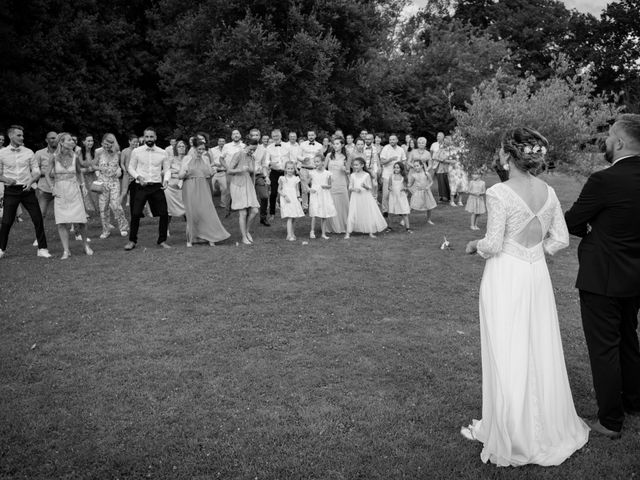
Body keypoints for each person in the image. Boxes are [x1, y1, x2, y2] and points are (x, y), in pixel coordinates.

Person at [463, 127, 589, 466]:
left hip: (506, 274)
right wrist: (535, 253)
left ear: (507, 155)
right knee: (538, 344)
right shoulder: (548, 191)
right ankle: (544, 426)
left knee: (507, 347)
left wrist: (475, 246)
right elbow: (560, 239)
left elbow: (491, 244)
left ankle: (511, 432)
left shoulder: (498, 192)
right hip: (535, 275)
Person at [565, 113, 640, 439]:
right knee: (629, 339)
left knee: (604, 347)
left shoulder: (604, 180)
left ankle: (610, 420)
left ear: (620, 141)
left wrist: (591, 231)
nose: (606, 140)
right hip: (636, 276)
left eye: (610, 135)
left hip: (602, 277)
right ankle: (634, 402)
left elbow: (572, 221)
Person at [0, 125, 52, 259]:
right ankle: (1, 249)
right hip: (11, 190)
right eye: (19, 135)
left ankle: (42, 248)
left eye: (22, 135)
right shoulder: (2, 153)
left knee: (37, 218)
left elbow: (36, 171)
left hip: (27, 189)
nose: (22, 138)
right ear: (11, 136)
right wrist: (6, 179)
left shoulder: (28, 152)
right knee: (6, 221)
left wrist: (31, 181)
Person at [124, 127, 172, 251]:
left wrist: (166, 180)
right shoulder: (137, 152)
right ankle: (132, 241)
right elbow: (130, 168)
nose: (149, 139)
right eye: (147, 137)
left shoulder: (162, 152)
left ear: (155, 137)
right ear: (144, 138)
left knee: (164, 213)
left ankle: (162, 240)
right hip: (141, 186)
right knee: (135, 214)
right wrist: (138, 177)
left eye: (151, 137)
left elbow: (167, 169)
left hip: (156, 186)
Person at [47, 132, 93, 259]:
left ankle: (85, 245)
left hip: (74, 189)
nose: (72, 142)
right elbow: (46, 174)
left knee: (81, 220)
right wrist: (52, 188)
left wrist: (83, 185)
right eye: (69, 140)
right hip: (60, 191)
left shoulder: (75, 156)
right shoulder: (54, 157)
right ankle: (66, 250)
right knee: (61, 222)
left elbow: (79, 172)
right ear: (61, 142)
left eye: (73, 140)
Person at [179, 138, 230, 247]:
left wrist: (213, 170)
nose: (201, 151)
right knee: (192, 213)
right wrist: (185, 172)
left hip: (203, 186)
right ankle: (190, 239)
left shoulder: (205, 159)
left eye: (203, 149)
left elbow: (209, 173)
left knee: (206, 211)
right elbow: (180, 175)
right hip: (190, 186)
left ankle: (210, 237)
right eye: (199, 149)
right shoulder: (187, 159)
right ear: (194, 148)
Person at [95, 133, 128, 239]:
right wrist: (99, 169)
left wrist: (119, 170)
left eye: (108, 145)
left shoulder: (118, 152)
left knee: (116, 205)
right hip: (102, 182)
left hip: (114, 182)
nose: (106, 147)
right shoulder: (98, 152)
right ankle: (106, 230)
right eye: (104, 144)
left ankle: (123, 227)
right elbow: (93, 165)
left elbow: (120, 165)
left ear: (113, 144)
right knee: (103, 207)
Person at [227, 139, 260, 245]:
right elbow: (229, 171)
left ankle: (246, 231)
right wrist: (240, 169)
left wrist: (251, 167)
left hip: (248, 184)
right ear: (246, 146)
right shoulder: (238, 154)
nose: (252, 152)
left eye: (254, 150)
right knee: (243, 212)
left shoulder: (252, 157)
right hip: (237, 185)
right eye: (251, 149)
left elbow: (251, 172)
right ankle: (243, 237)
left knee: (254, 211)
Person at [345, 157, 387, 239]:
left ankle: (370, 231)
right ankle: (348, 232)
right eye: (354, 165)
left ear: (362, 165)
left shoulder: (366, 175)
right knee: (353, 212)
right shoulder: (352, 175)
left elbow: (370, 187)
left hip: (365, 196)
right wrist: (354, 189)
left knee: (367, 212)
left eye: (357, 165)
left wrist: (365, 186)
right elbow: (350, 187)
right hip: (355, 197)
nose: (355, 166)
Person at [324, 136, 349, 234]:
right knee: (332, 204)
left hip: (341, 182)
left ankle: (344, 225)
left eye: (337, 144)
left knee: (343, 204)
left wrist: (345, 170)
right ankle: (331, 226)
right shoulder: (329, 155)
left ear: (342, 145)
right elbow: (324, 168)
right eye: (334, 144)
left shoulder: (346, 156)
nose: (335, 146)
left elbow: (348, 171)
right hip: (331, 183)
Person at [308, 154, 336, 239]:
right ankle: (312, 231)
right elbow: (306, 183)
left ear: (323, 162)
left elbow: (330, 185)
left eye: (318, 161)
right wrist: (310, 189)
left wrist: (326, 186)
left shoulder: (328, 173)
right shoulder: (312, 173)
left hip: (324, 194)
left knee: (324, 214)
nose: (316, 163)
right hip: (315, 193)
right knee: (314, 212)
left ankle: (323, 233)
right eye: (315, 162)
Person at [379, 134, 406, 216]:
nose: (392, 141)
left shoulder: (401, 149)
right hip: (387, 174)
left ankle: (398, 209)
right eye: (390, 139)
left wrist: (401, 168)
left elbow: (404, 161)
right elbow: (382, 161)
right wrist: (390, 159)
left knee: (398, 193)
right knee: (386, 194)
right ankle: (385, 210)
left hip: (397, 176)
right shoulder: (386, 148)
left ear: (397, 140)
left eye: (393, 139)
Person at [220, 129, 245, 216]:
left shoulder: (244, 146)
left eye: (237, 133)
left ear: (240, 135)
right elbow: (221, 159)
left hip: (241, 172)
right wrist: (227, 168)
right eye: (234, 134)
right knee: (229, 192)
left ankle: (241, 209)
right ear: (231, 137)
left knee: (241, 190)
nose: (236, 135)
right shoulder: (227, 146)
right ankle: (227, 211)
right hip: (230, 172)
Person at [164, 139, 187, 233]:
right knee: (169, 210)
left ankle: (190, 229)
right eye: (179, 146)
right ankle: (166, 229)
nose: (181, 148)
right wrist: (171, 172)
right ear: (175, 148)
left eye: (183, 146)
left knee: (187, 210)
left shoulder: (188, 159)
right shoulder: (171, 159)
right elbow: (164, 171)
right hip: (171, 188)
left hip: (184, 188)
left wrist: (176, 172)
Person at [278, 160, 304, 241]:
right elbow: (279, 190)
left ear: (294, 169)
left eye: (292, 168)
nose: (290, 170)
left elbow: (297, 189)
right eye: (288, 168)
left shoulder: (296, 179)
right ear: (285, 169)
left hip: (294, 198)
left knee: (294, 217)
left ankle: (292, 233)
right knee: (289, 216)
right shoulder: (282, 178)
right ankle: (289, 235)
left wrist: (299, 197)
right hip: (286, 198)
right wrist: (284, 196)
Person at [266, 129, 289, 220]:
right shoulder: (269, 147)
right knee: (273, 193)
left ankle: (288, 211)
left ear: (280, 136)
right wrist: (271, 163)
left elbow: (292, 158)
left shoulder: (287, 146)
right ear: (272, 137)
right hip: (274, 172)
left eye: (277, 136)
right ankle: (272, 213)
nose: (275, 138)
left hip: (286, 172)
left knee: (287, 192)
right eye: (274, 136)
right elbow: (266, 160)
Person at [298, 130, 324, 211]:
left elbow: (322, 157)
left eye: (312, 135)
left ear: (315, 136)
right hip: (304, 168)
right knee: (304, 189)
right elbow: (298, 156)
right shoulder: (302, 144)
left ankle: (315, 206)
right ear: (307, 136)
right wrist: (303, 159)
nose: (311, 136)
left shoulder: (319, 146)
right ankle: (305, 207)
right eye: (309, 135)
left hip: (314, 170)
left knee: (316, 188)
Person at [249, 129, 270, 226]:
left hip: (259, 175)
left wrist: (266, 177)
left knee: (264, 196)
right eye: (253, 135)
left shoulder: (263, 150)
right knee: (248, 198)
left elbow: (264, 165)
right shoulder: (245, 148)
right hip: (247, 176)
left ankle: (263, 218)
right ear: (250, 137)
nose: (255, 137)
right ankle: (247, 217)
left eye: (257, 135)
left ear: (259, 137)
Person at [408, 159, 436, 225]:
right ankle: (404, 219)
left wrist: (428, 187)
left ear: (421, 166)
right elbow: (410, 184)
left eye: (417, 166)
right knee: (412, 206)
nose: (416, 167)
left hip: (426, 192)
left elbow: (431, 182)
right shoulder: (414, 175)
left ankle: (429, 219)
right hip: (418, 192)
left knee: (429, 206)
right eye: (414, 166)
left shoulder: (426, 173)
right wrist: (405, 186)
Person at [386, 162, 411, 233]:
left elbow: (406, 187)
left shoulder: (404, 177)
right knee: (391, 212)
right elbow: (389, 186)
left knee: (404, 212)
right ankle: (389, 227)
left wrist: (404, 188)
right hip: (393, 196)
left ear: (401, 169)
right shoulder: (391, 176)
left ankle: (408, 228)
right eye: (395, 167)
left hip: (401, 196)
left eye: (398, 167)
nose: (396, 169)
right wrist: (390, 188)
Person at [79, 134, 99, 214]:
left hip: (93, 176)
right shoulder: (79, 152)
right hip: (82, 177)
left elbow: (96, 164)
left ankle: (97, 210)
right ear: (83, 142)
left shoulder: (95, 152)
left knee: (95, 194)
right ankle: (85, 212)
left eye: (92, 141)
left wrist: (93, 168)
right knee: (84, 194)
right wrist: (88, 169)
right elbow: (78, 167)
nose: (91, 142)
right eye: (89, 141)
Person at [431, 132, 450, 202]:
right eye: (444, 143)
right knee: (441, 183)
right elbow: (434, 157)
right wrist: (440, 159)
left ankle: (450, 196)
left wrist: (446, 160)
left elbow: (452, 159)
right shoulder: (440, 149)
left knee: (448, 182)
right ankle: (442, 197)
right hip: (440, 168)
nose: (444, 144)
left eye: (446, 143)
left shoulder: (450, 150)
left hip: (448, 168)